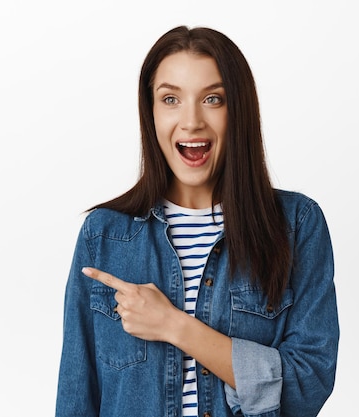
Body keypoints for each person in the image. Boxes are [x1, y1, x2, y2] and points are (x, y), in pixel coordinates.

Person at [55, 25, 339, 417]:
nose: (191, 121)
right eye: (170, 98)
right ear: (150, 112)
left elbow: (308, 384)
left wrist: (174, 326)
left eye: (212, 99)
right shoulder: (104, 236)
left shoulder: (296, 226)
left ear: (239, 111)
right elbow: (76, 398)